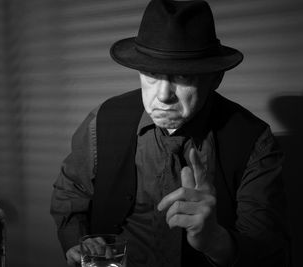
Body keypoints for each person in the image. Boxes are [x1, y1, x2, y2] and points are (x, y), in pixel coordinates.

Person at [50, 0, 290, 266]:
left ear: (215, 78)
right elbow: (70, 190)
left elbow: (269, 250)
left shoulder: (253, 141)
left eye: (183, 77)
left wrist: (216, 241)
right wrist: (78, 241)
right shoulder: (103, 120)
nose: (163, 95)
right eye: (151, 74)